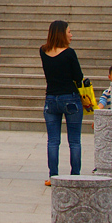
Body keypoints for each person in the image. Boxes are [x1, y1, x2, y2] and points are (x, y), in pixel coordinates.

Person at [40, 20, 84, 184]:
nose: (71, 35)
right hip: (70, 98)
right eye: (69, 32)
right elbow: (78, 77)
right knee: (74, 140)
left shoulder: (43, 51)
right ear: (62, 33)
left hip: (51, 99)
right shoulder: (69, 53)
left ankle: (53, 175)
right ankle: (75, 175)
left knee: (53, 141)